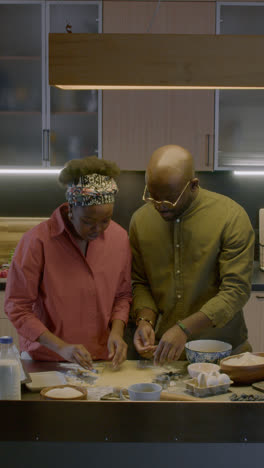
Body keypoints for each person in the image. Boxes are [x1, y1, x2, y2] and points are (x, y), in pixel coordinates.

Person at [129, 145, 255, 365]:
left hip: (223, 355)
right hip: (165, 355)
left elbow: (236, 291)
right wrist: (144, 321)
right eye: (153, 197)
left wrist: (184, 328)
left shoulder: (231, 217)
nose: (160, 207)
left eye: (170, 200)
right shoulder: (140, 221)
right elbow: (141, 282)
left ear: (193, 185)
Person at [5, 156, 132, 369]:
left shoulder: (119, 238)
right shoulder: (37, 241)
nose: (99, 229)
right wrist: (61, 347)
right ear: (71, 209)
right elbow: (17, 307)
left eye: (105, 220)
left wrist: (117, 332)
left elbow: (122, 295)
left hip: (100, 359)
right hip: (45, 361)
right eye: (88, 222)